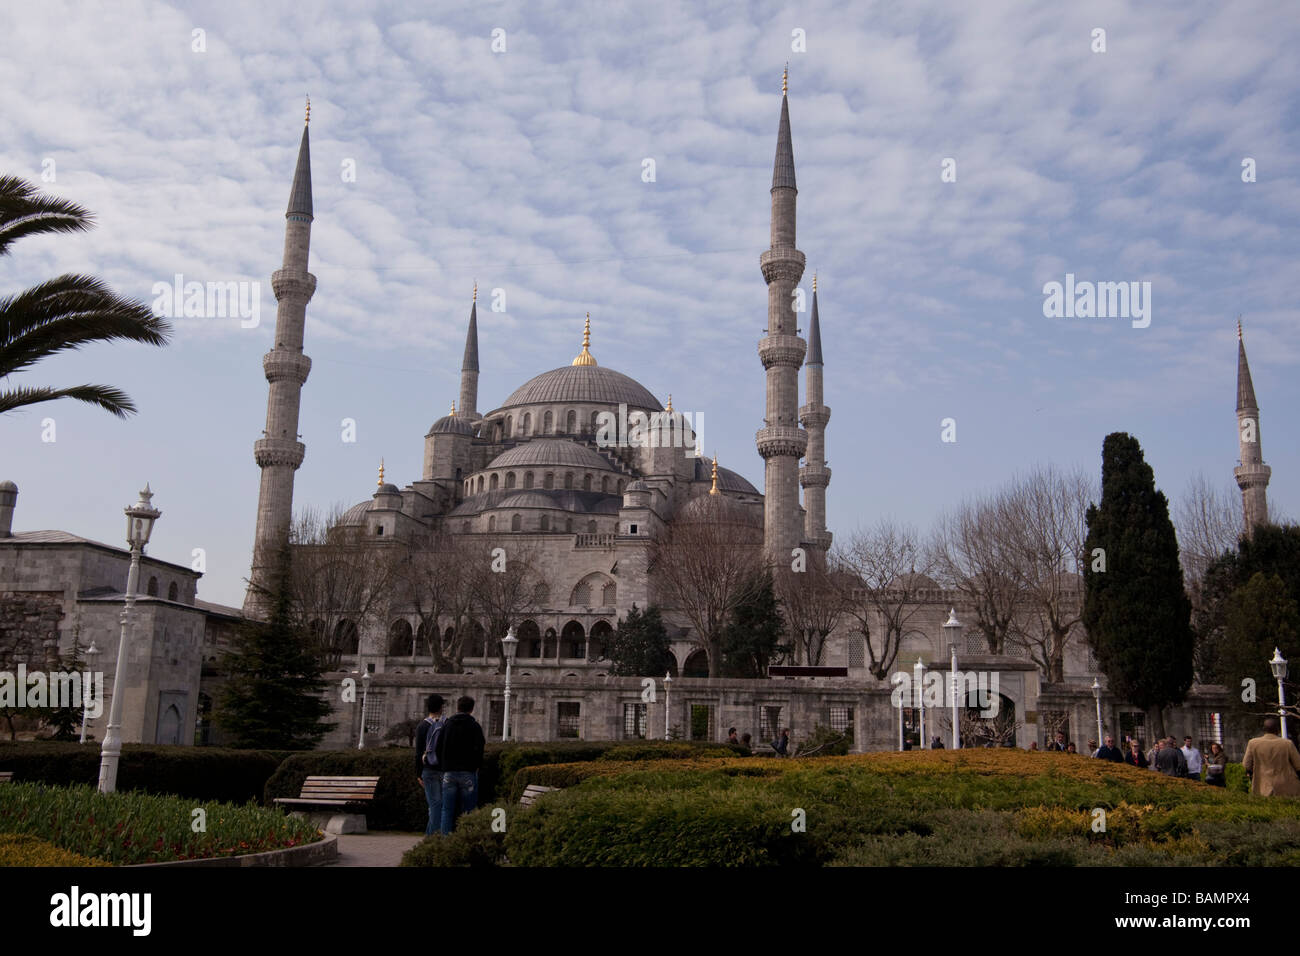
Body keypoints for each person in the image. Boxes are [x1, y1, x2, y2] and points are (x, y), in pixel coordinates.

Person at [437, 695, 486, 834]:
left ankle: (445, 841)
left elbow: (438, 747)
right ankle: (466, 839)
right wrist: (476, 766)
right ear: (472, 709)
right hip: (468, 772)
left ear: (457, 707)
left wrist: (444, 766)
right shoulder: (474, 726)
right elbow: (480, 748)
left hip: (449, 772)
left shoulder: (447, 725)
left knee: (447, 809)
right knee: (468, 810)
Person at [1242, 716, 1300, 796]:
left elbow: (1246, 765)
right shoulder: (1287, 744)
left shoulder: (1253, 743)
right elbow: (1298, 765)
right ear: (1277, 729)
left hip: (1262, 785)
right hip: (1287, 785)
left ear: (1264, 729)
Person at [414, 693, 445, 837]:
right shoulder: (446, 724)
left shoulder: (422, 726)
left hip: (428, 769)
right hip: (444, 769)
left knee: (434, 805)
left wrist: (418, 773)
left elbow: (419, 751)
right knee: (438, 805)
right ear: (441, 707)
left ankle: (430, 839)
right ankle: (431, 838)